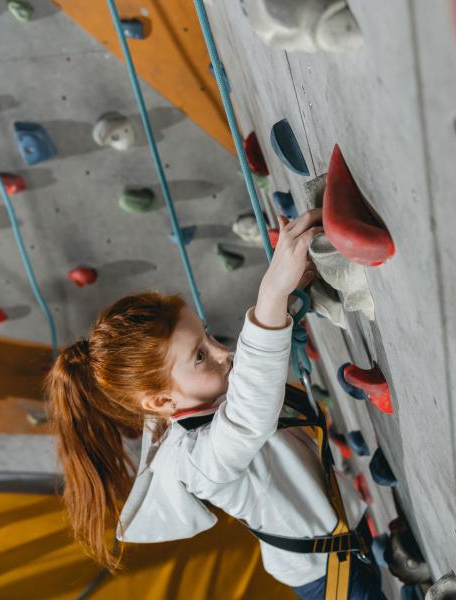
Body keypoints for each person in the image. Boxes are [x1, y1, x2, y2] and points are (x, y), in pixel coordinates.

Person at [46, 209, 386, 600]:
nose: (223, 353)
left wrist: (284, 301)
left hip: (340, 544)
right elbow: (247, 417)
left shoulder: (187, 404)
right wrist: (271, 294)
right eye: (199, 356)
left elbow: (248, 383)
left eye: (208, 337)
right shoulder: (193, 461)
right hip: (330, 576)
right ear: (160, 399)